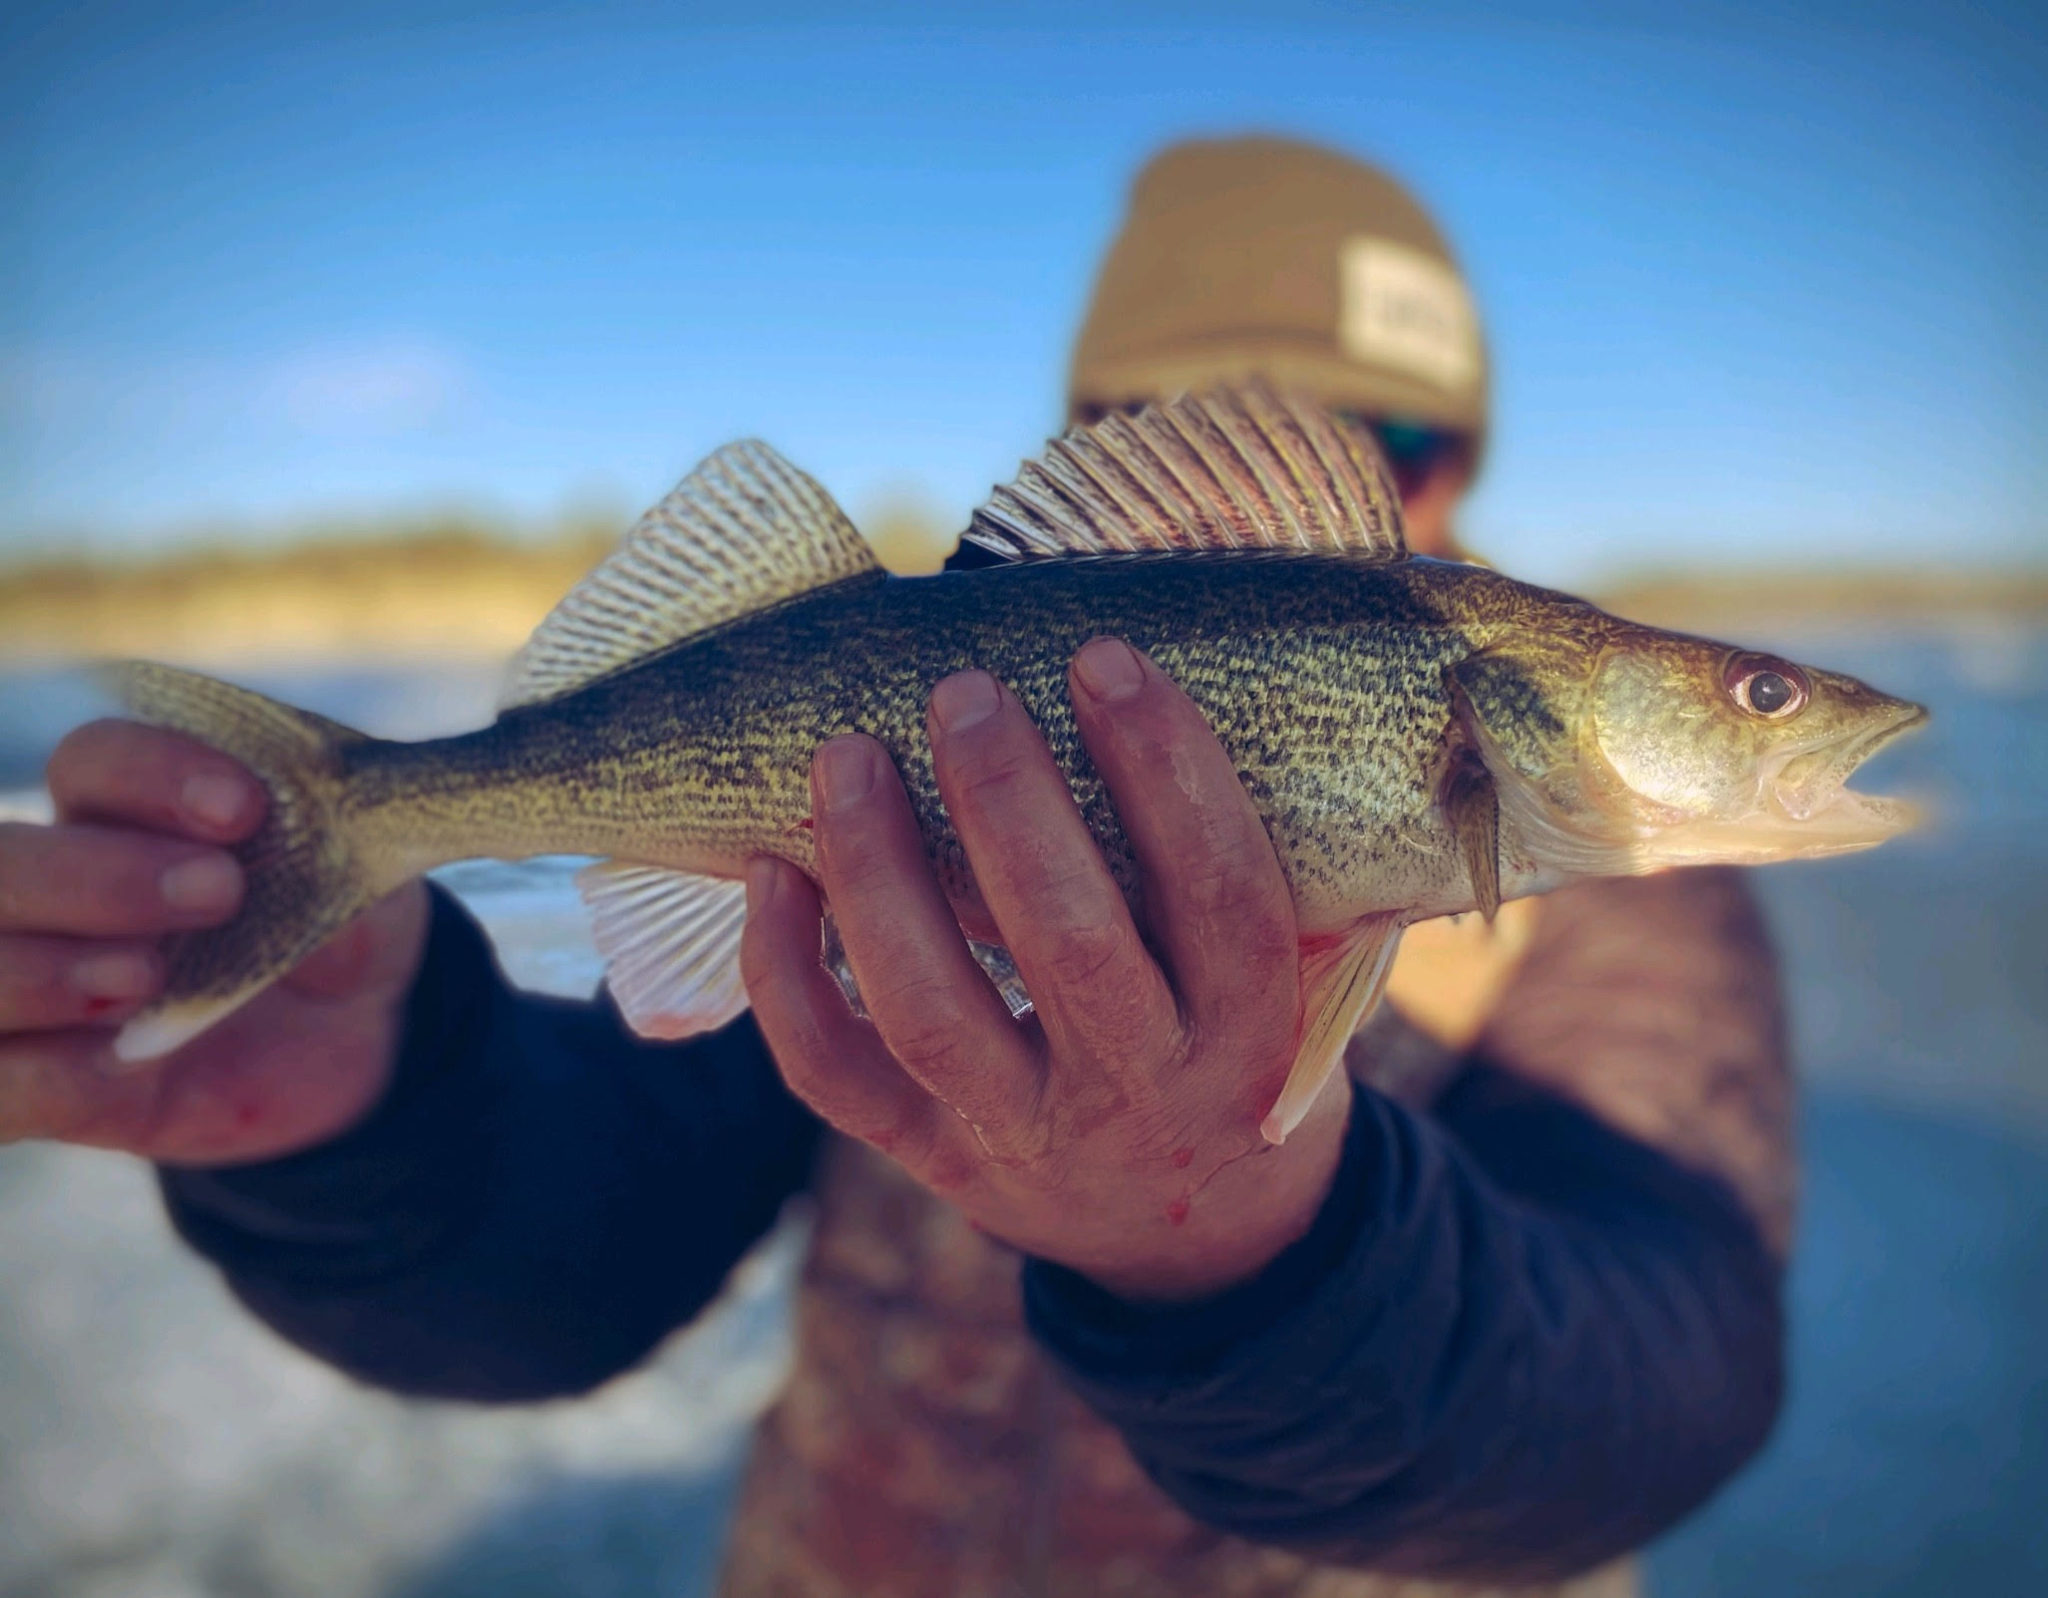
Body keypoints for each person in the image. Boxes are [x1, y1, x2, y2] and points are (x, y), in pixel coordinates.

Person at [0, 137, 1789, 1597]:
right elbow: (590, 1240)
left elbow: (1660, 1381)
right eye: (1192, 418)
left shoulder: (1634, 898)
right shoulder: (877, 765)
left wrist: (1267, 1255)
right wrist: (379, 1118)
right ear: (1112, 446)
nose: (1335, 495)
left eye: (1394, 442)